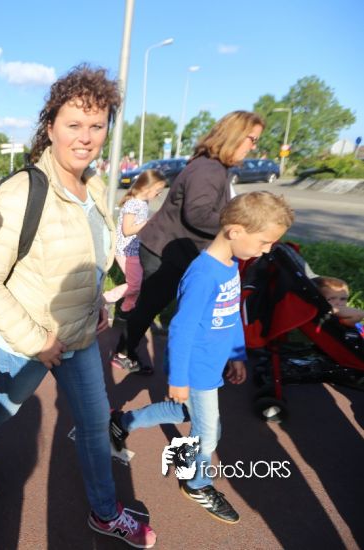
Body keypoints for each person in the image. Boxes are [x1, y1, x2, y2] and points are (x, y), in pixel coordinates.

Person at [0, 64, 157, 548]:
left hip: (80, 336)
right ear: (50, 126)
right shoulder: (22, 191)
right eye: (74, 124)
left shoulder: (95, 188)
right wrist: (37, 341)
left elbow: (89, 257)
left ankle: (105, 512)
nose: (86, 137)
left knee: (94, 424)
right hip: (28, 341)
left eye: (97, 126)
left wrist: (96, 302)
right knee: (0, 410)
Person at [110, 191, 294, 524]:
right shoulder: (203, 274)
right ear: (235, 231)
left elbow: (232, 312)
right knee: (209, 434)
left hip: (212, 364)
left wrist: (237, 354)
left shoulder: (231, 264)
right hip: (196, 369)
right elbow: (181, 330)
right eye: (264, 242)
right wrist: (179, 379)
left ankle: (122, 423)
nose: (267, 250)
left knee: (183, 411)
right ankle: (197, 484)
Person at [112, 111, 265, 373]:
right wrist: (239, 229)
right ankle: (124, 352)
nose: (253, 146)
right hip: (165, 251)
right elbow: (198, 214)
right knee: (151, 305)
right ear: (235, 136)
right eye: (252, 139)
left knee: (162, 304)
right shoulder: (209, 169)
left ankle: (175, 358)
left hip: (174, 249)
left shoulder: (214, 167)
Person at [104, 169, 167, 363]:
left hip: (132, 250)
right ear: (147, 187)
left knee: (136, 284)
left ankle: (126, 310)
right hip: (126, 251)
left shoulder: (142, 202)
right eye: (157, 190)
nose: (159, 194)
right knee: (136, 284)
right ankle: (104, 299)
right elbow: (127, 229)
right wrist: (149, 222)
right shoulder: (133, 204)